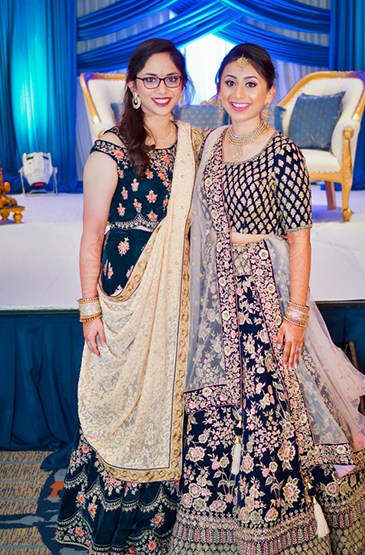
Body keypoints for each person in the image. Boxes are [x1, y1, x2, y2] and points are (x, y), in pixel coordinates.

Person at [169, 43, 365, 555]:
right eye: (229, 82)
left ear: (268, 93)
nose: (238, 93)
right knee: (216, 399)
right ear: (217, 90)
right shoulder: (211, 144)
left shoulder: (282, 152)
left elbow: (299, 238)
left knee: (273, 403)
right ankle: (214, 524)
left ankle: (284, 528)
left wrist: (295, 314)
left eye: (250, 84)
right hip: (215, 301)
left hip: (264, 296)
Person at [56, 39, 201, 554]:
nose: (163, 89)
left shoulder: (196, 142)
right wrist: (89, 309)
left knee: (170, 396)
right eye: (151, 79)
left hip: (179, 300)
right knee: (120, 401)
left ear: (182, 85)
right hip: (124, 300)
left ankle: (168, 516)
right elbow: (92, 234)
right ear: (134, 86)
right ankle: (110, 515)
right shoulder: (112, 146)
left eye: (172, 79)